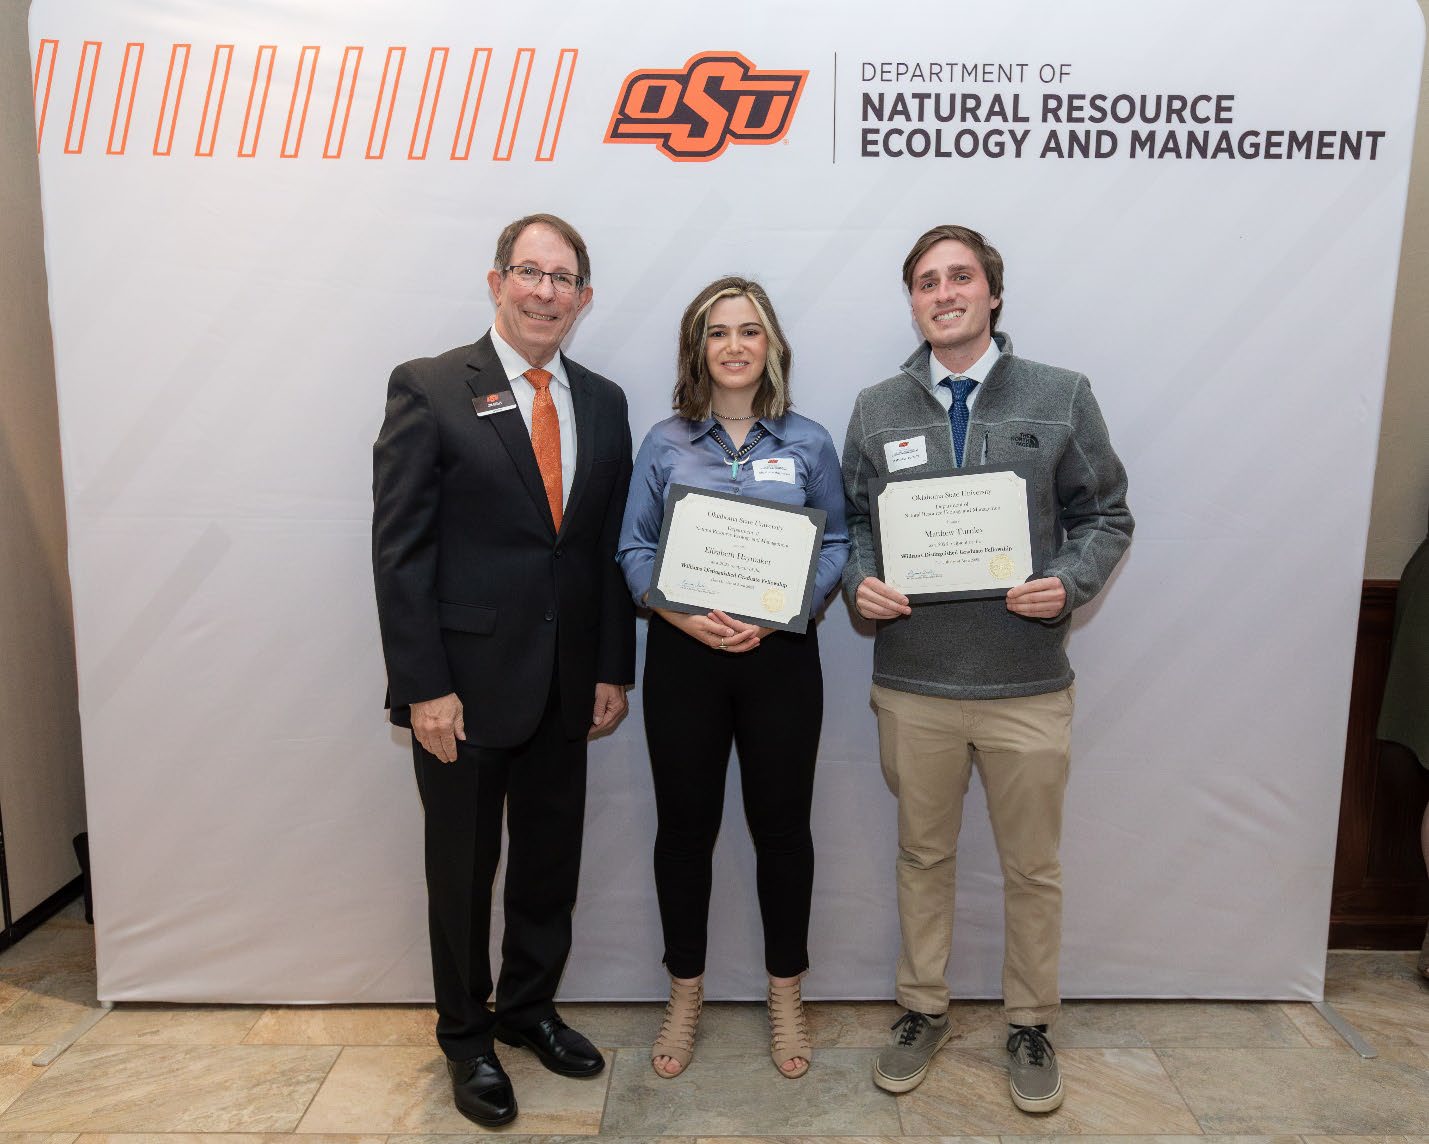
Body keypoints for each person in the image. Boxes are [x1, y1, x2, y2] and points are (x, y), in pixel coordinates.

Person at [841, 225, 1133, 1110]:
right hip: (914, 684)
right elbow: (852, 521)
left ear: (992, 293)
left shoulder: (1060, 394)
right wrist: (860, 582)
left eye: (960, 276)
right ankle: (921, 1008)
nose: (944, 293)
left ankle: (1030, 1021)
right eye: (926, 281)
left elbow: (1106, 515)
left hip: (1025, 686)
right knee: (921, 856)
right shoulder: (875, 407)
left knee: (1032, 867)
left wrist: (1069, 583)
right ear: (912, 301)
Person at [372, 213, 635, 1127]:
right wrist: (423, 687)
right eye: (530, 272)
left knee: (548, 868)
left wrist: (611, 668)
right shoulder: (430, 386)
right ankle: (465, 1036)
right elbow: (399, 551)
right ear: (497, 282)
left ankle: (528, 1010)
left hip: (566, 686)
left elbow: (600, 549)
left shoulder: (602, 401)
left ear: (583, 299)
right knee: (461, 873)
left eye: (562, 280)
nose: (544, 293)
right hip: (463, 690)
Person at [616, 277, 849, 1080]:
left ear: (771, 344)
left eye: (749, 330)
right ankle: (685, 992)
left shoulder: (809, 442)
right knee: (684, 831)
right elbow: (633, 548)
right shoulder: (664, 442)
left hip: (780, 659)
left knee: (782, 830)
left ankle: (786, 993)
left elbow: (836, 543)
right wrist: (677, 615)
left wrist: (789, 608)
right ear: (697, 348)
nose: (734, 345)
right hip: (683, 658)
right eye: (717, 332)